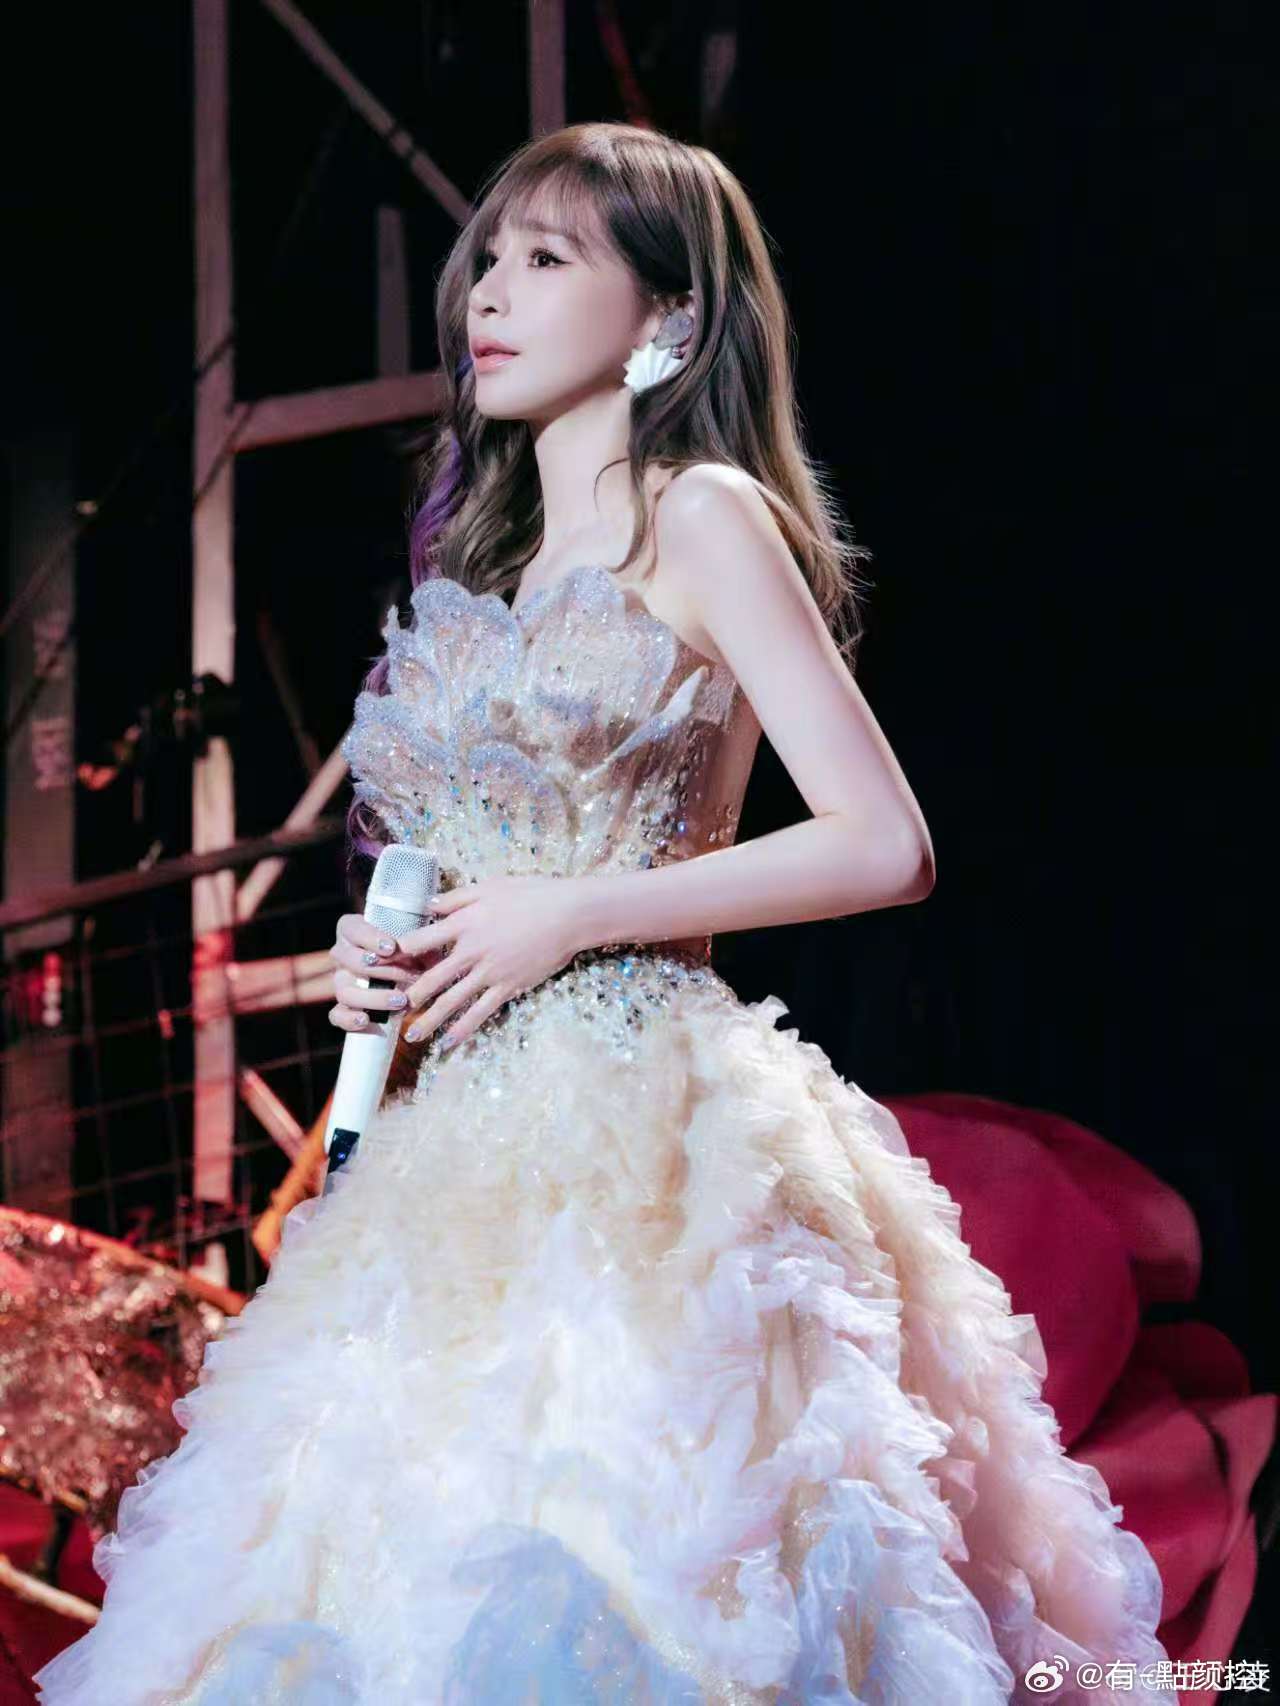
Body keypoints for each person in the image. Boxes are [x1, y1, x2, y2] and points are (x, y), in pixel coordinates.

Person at [34, 121, 1176, 1705]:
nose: (488, 293)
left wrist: (572, 913)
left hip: (653, 1151)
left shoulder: (699, 514)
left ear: (669, 317)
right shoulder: (491, 560)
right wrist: (393, 959)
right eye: (487, 259)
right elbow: (475, 869)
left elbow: (884, 842)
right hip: (458, 1159)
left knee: (653, 1569)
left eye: (547, 258)